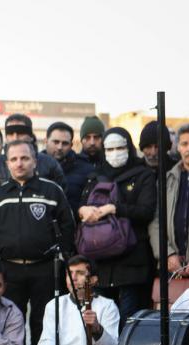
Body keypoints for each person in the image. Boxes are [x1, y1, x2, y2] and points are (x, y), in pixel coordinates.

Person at [0, 140, 75, 345]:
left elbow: (68, 225)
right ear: (7, 163)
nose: (19, 163)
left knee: (41, 321)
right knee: (11, 321)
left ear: (35, 161)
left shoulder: (51, 190)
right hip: (9, 269)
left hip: (44, 267)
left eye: (25, 158)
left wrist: (61, 255)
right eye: (14, 159)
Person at [79, 127, 156, 326]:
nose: (114, 153)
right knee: (104, 324)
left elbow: (146, 211)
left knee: (130, 323)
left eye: (120, 147)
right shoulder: (95, 176)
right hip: (102, 263)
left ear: (129, 147)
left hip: (133, 262)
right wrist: (83, 211)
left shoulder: (143, 175)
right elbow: (79, 206)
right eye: (109, 149)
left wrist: (114, 208)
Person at [0, 114, 66, 192]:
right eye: (10, 133)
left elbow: (60, 196)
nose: (15, 137)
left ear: (30, 136)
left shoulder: (50, 164)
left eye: (20, 132)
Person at [149, 124, 189, 277]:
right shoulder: (166, 180)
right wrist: (167, 254)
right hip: (172, 266)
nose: (188, 149)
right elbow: (155, 221)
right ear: (178, 147)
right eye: (185, 144)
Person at [44, 122, 94, 213]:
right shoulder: (32, 166)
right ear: (46, 141)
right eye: (56, 142)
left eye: (65, 143)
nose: (59, 147)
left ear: (71, 145)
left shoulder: (86, 170)